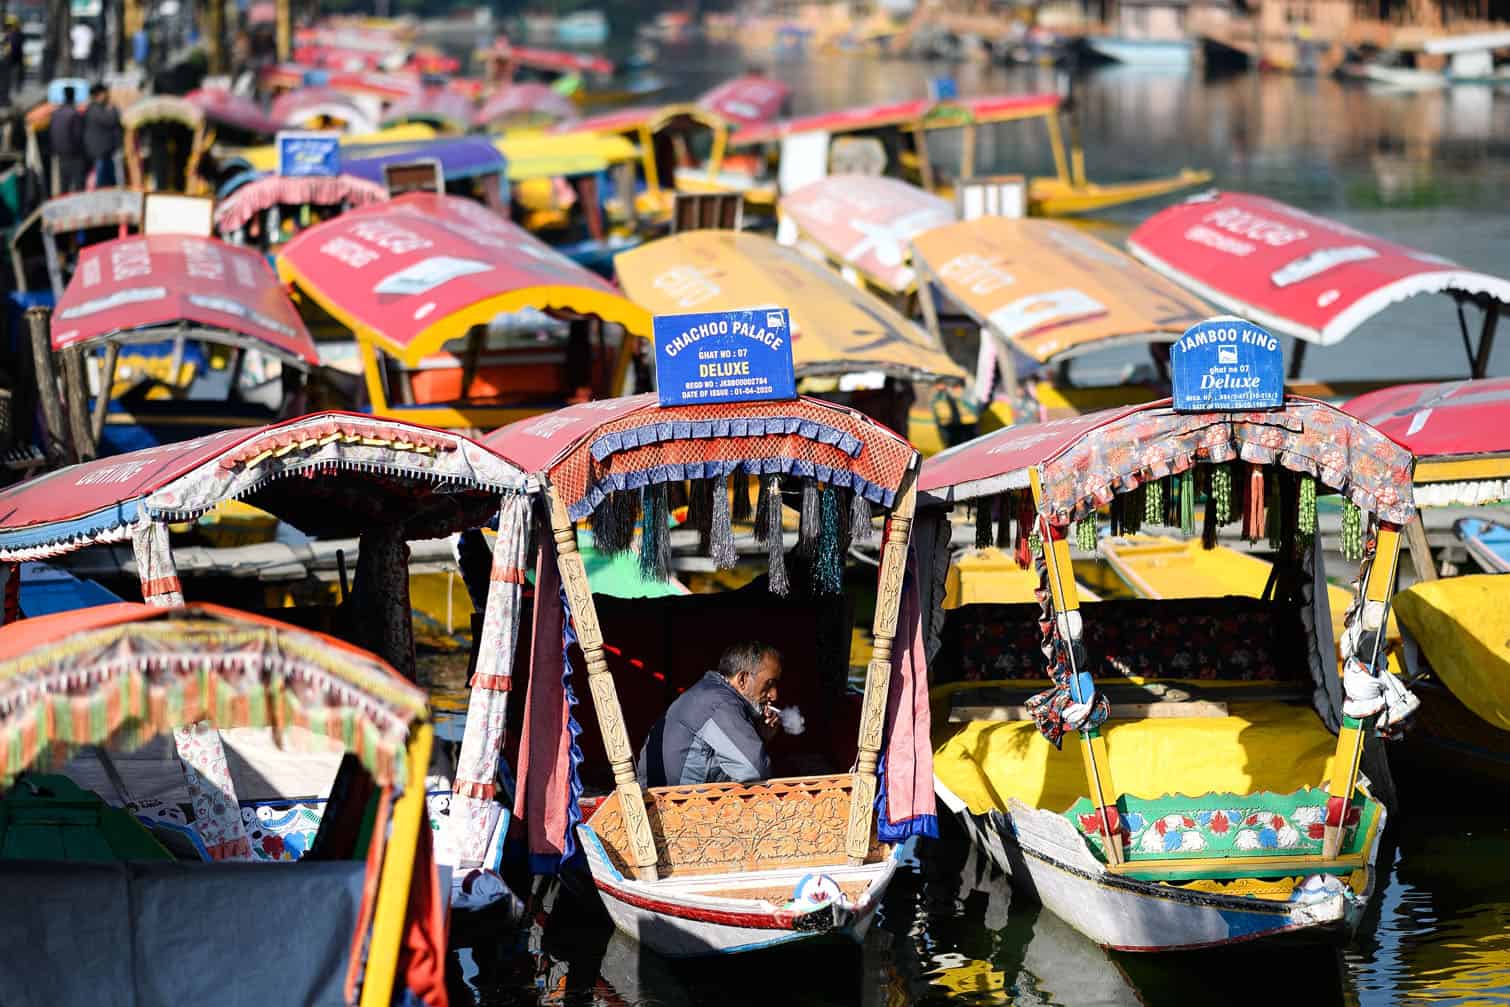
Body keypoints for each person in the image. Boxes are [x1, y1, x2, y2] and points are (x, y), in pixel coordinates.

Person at [637, 642, 783, 788]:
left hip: (663, 799)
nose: (774, 695)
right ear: (743, 679)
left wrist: (760, 736)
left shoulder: (709, 692)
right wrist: (760, 740)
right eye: (769, 684)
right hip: (674, 805)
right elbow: (754, 771)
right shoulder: (719, 701)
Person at [49, 86, 87, 194]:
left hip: (60, 154)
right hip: (74, 155)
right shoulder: (74, 114)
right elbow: (78, 136)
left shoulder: (56, 113)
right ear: (74, 96)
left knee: (64, 186)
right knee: (78, 186)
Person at [83, 83, 121, 187]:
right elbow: (111, 120)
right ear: (100, 95)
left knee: (108, 183)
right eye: (106, 93)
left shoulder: (97, 108)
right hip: (100, 153)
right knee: (101, 183)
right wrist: (113, 109)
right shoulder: (95, 109)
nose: (108, 95)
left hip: (105, 152)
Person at [0, 17, 21, 106]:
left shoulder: (5, 35)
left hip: (5, 60)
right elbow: (12, 50)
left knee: (4, 81)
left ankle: (4, 99)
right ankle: (4, 100)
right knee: (5, 81)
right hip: (6, 61)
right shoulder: (12, 36)